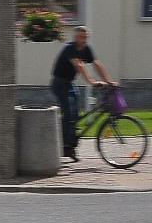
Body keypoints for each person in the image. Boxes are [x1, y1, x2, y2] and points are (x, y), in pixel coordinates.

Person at [49, 25, 116, 162]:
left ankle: (69, 145)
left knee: (75, 114)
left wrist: (109, 81)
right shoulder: (70, 48)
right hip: (59, 83)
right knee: (69, 114)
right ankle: (63, 145)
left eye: (85, 37)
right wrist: (92, 82)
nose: (84, 40)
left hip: (70, 83)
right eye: (81, 37)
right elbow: (79, 66)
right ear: (75, 37)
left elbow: (97, 64)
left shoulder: (86, 49)